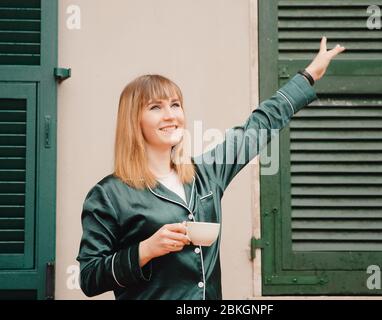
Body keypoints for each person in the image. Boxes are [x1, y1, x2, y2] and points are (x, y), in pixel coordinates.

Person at [76, 37, 345, 300]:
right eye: (156, 107)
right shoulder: (108, 195)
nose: (171, 115)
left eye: (175, 104)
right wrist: (145, 250)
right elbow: (89, 278)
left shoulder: (206, 173)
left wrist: (308, 76)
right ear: (134, 121)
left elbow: (255, 128)